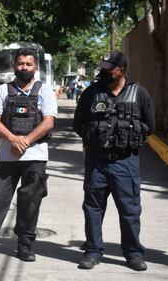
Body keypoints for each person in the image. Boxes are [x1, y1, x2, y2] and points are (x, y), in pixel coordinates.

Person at [0, 48, 57, 261]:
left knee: (30, 201)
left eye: (28, 64)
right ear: (14, 65)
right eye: (20, 64)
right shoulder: (2, 90)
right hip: (7, 156)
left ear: (35, 67)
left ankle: (25, 246)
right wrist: (14, 140)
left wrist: (25, 141)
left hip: (35, 156)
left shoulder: (45, 90)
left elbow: (48, 122)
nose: (24, 67)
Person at [73, 50, 155, 271]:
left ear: (122, 70)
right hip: (96, 161)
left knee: (130, 210)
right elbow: (78, 123)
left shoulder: (139, 93)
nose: (103, 71)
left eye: (109, 68)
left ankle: (133, 253)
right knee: (93, 208)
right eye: (103, 67)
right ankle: (92, 251)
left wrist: (128, 139)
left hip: (125, 162)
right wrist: (95, 139)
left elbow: (150, 125)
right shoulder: (92, 92)